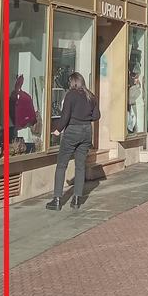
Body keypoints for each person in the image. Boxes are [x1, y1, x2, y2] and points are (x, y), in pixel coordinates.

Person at [46, 72, 99, 211]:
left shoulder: (70, 95)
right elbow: (96, 116)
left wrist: (58, 130)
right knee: (80, 166)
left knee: (61, 165)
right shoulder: (91, 96)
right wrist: (85, 119)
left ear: (72, 82)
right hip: (87, 131)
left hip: (72, 131)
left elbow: (65, 116)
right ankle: (76, 199)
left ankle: (57, 200)